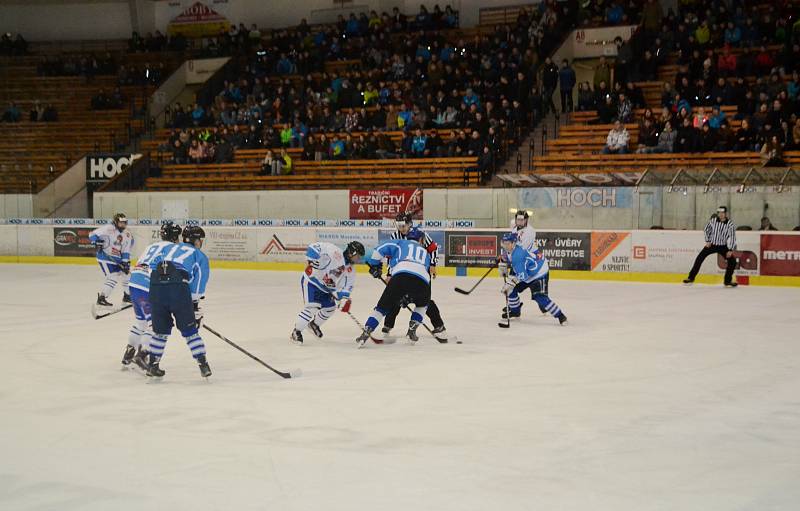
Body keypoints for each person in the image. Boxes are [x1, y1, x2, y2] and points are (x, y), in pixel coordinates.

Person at [144, 223, 212, 378]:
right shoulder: (199, 255)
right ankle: (203, 365)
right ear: (196, 240)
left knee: (160, 332)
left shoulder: (168, 247)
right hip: (177, 290)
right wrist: (193, 305)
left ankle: (152, 365)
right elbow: (199, 284)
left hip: (155, 288)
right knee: (190, 331)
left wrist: (158, 287)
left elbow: (152, 268)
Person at [357, 228, 432, 347]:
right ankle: (412, 330)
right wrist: (410, 296)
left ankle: (367, 331)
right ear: (421, 240)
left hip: (400, 276)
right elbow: (424, 273)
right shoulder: (426, 253)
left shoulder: (400, 242)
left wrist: (376, 266)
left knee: (381, 308)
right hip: (422, 281)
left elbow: (379, 249)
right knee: (423, 305)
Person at [380, 213, 447, 342]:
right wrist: (389, 274)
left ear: (410, 223)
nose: (401, 228)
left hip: (421, 272)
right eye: (399, 226)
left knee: (424, 300)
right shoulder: (395, 236)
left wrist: (432, 264)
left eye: (403, 225)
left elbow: (433, 249)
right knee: (395, 296)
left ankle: (439, 325)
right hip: (402, 271)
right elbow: (391, 257)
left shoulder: (421, 235)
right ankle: (388, 324)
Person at [121, 221, 179, 370]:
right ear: (174, 236)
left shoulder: (152, 246)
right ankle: (142, 354)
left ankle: (128, 352)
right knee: (155, 324)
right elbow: (168, 271)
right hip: (148, 286)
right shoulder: (173, 249)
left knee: (141, 322)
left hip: (134, 283)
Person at [291, 240, 365, 345]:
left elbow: (347, 286)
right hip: (312, 282)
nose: (358, 259)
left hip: (326, 289)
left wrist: (344, 299)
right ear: (351, 252)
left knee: (330, 308)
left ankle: (314, 325)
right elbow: (314, 247)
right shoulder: (335, 252)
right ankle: (296, 332)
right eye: (358, 256)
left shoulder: (350, 270)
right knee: (312, 308)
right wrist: (311, 259)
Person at [499, 232, 567, 325]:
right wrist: (502, 262)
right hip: (528, 270)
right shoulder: (510, 250)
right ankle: (515, 311)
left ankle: (561, 316)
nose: (506, 246)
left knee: (539, 297)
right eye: (504, 243)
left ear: (514, 243)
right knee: (512, 290)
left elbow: (523, 276)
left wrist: (510, 283)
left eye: (508, 243)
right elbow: (507, 258)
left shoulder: (517, 255)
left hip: (539, 272)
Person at [683, 206, 738, 287]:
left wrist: (730, 249)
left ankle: (727, 281)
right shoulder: (713, 220)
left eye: (722, 213)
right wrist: (708, 241)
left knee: (732, 262)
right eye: (719, 213)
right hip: (711, 245)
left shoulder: (730, 224)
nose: (721, 214)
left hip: (723, 246)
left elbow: (733, 237)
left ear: (726, 214)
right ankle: (691, 278)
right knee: (699, 259)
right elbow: (706, 229)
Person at [89, 213, 134, 308]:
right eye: (120, 223)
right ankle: (102, 298)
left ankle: (127, 296)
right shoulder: (108, 228)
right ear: (115, 222)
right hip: (105, 257)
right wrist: (96, 241)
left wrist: (125, 262)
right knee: (113, 277)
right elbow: (92, 234)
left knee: (127, 275)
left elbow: (126, 250)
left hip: (117, 259)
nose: (123, 225)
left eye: (124, 223)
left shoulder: (127, 234)